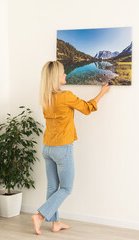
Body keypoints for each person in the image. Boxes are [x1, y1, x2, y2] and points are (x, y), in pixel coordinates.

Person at [31, 61, 110, 235]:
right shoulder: (65, 96)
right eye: (63, 73)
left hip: (47, 147)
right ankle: (40, 215)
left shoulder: (45, 97)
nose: (65, 75)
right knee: (66, 188)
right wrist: (102, 93)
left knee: (52, 188)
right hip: (62, 148)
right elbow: (87, 109)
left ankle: (56, 223)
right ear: (55, 77)